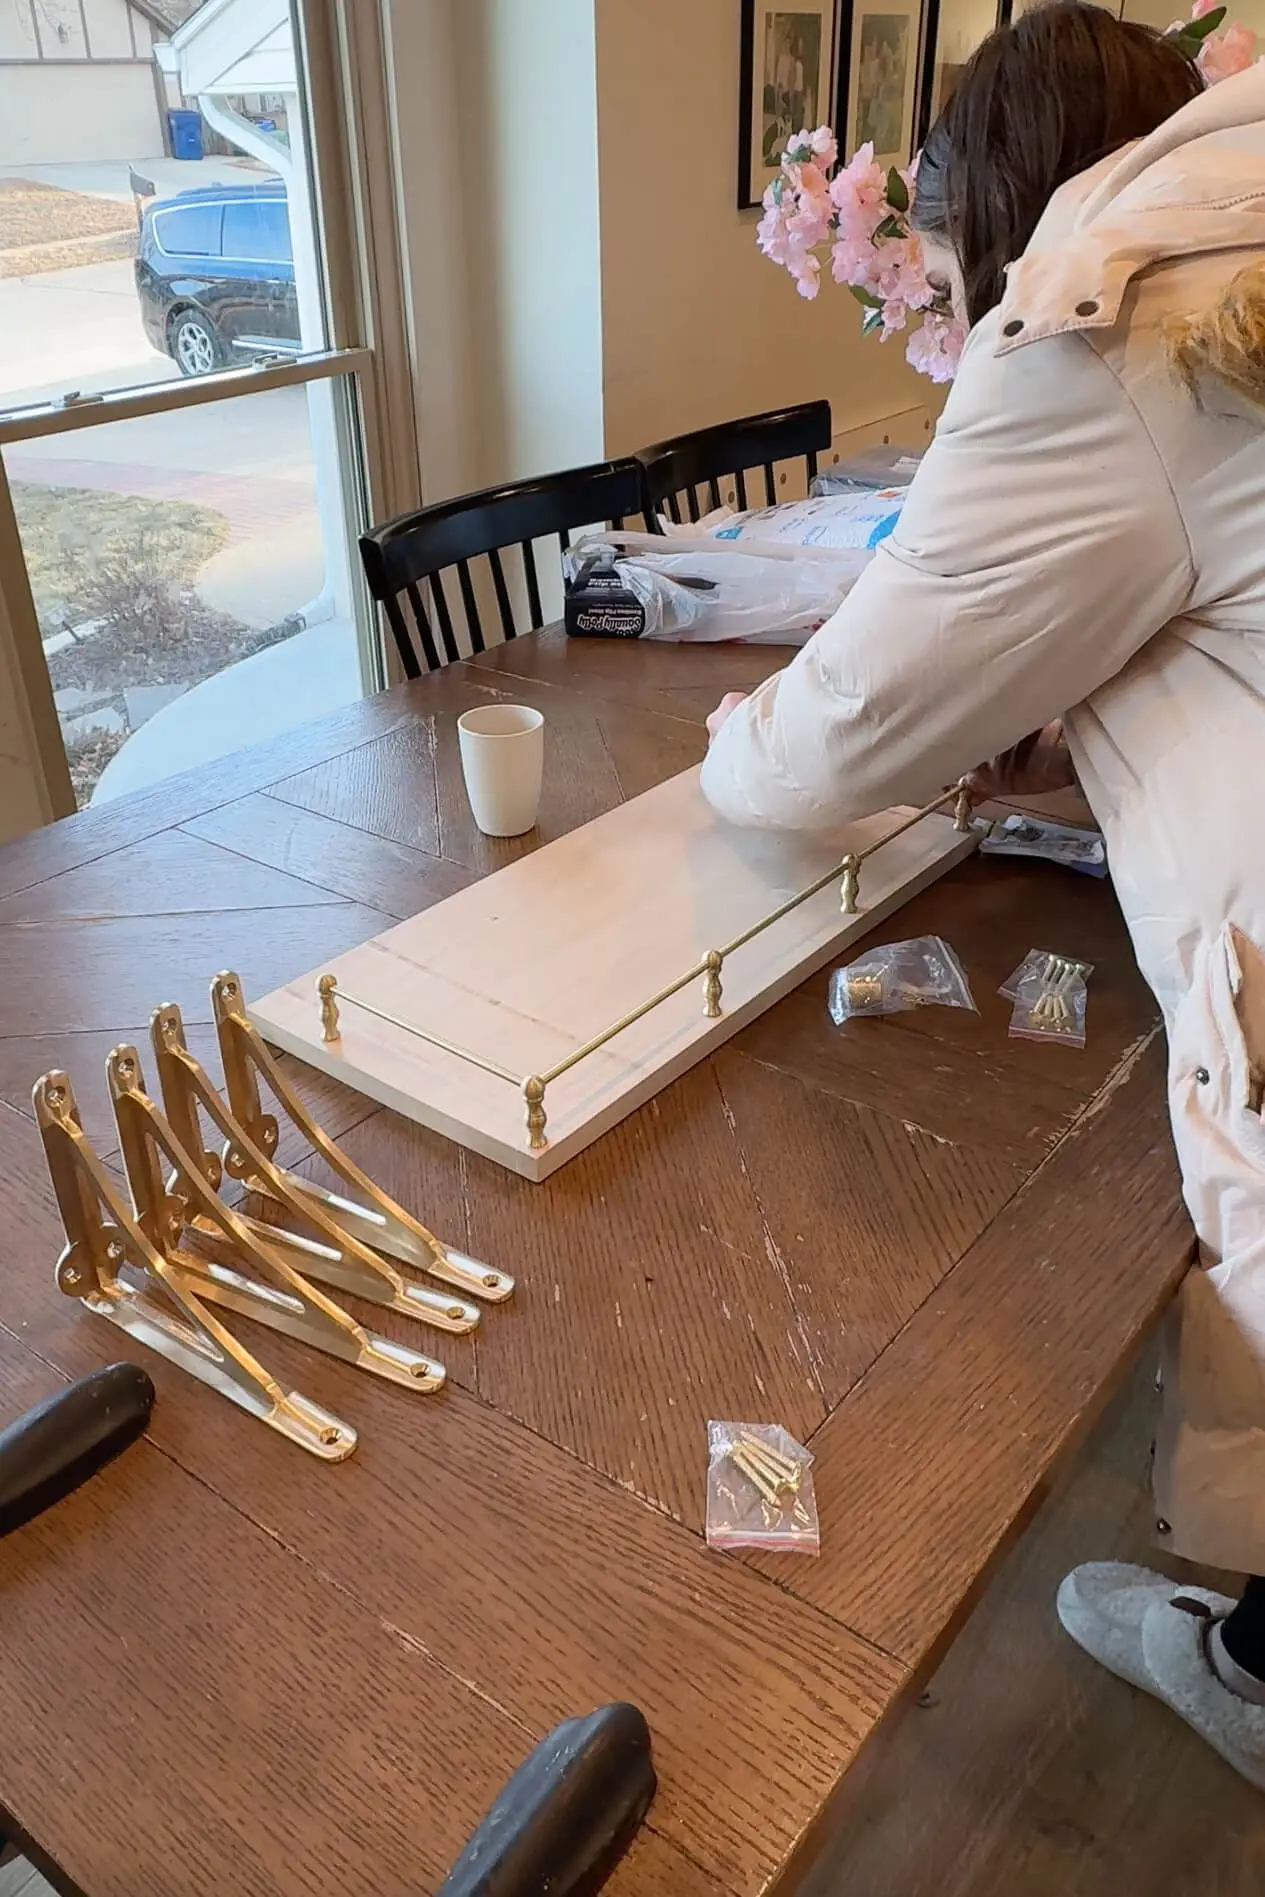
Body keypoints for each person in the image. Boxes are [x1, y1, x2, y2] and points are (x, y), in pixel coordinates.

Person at [701, 0, 1265, 1788]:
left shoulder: (1102, 324)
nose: (944, 292)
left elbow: (828, 741)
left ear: (996, 204)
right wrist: (1078, 716)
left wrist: (729, 745)